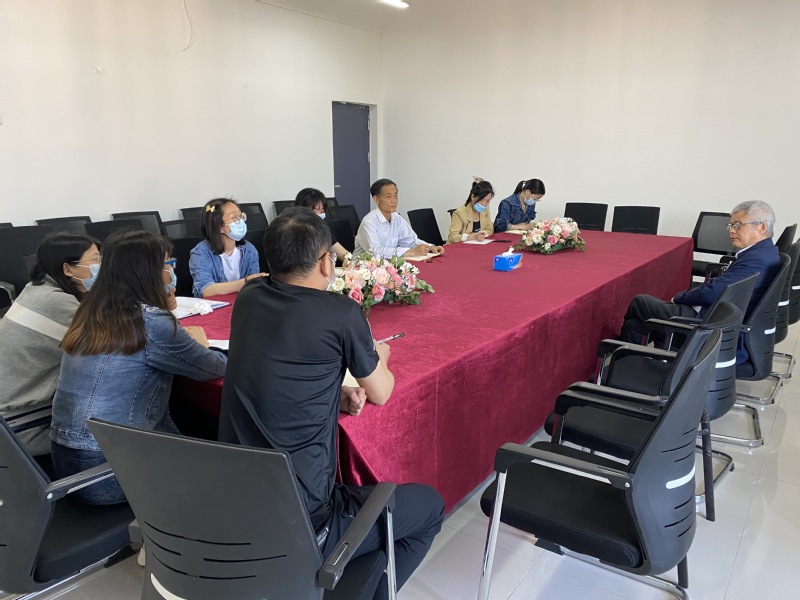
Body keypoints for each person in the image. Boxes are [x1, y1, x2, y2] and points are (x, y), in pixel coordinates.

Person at [219, 207, 444, 600]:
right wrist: (381, 355)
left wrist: (333, 395)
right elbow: (381, 392)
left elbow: (278, 367)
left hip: (233, 504)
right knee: (429, 507)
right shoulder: (341, 313)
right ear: (326, 263)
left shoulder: (249, 297)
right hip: (306, 519)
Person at [51, 230, 227, 504]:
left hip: (69, 464)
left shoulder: (91, 311)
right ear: (148, 272)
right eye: (168, 265)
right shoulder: (150, 322)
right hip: (110, 472)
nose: (172, 274)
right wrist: (202, 345)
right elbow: (214, 369)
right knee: (226, 468)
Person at [620, 200, 781, 363]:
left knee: (639, 302)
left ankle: (622, 361)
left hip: (707, 326)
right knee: (634, 325)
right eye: (731, 225)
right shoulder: (766, 252)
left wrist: (680, 297)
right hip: (718, 317)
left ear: (761, 227)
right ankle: (627, 365)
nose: (732, 230)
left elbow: (713, 293)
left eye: (738, 225)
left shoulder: (756, 259)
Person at [0, 232, 101, 455]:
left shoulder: (36, 289)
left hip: (13, 414)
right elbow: (111, 347)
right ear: (68, 269)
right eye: (95, 260)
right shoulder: (57, 303)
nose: (101, 267)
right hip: (25, 426)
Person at [189, 197, 268, 298]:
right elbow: (205, 290)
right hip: (214, 305)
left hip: (243, 303)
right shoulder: (200, 253)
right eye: (234, 217)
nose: (240, 221)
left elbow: (254, 289)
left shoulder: (249, 250)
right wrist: (246, 281)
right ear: (219, 226)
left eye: (240, 215)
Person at [353, 178, 445, 258]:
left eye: (396, 195)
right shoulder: (369, 222)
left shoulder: (397, 218)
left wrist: (430, 247)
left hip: (389, 264)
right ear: (376, 199)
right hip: (363, 267)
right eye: (388, 197)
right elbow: (375, 252)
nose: (394, 200)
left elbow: (411, 241)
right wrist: (409, 252)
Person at [294, 187, 350, 261]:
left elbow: (344, 254)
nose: (319, 214)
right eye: (315, 211)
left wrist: (350, 261)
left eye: (322, 211)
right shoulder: (293, 233)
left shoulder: (322, 230)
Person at [448, 179, 495, 243]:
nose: (484, 204)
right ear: (473, 197)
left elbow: (490, 228)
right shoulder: (459, 213)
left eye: (487, 201)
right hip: (460, 246)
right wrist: (473, 236)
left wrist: (483, 234)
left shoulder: (485, 209)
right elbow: (453, 237)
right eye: (481, 200)